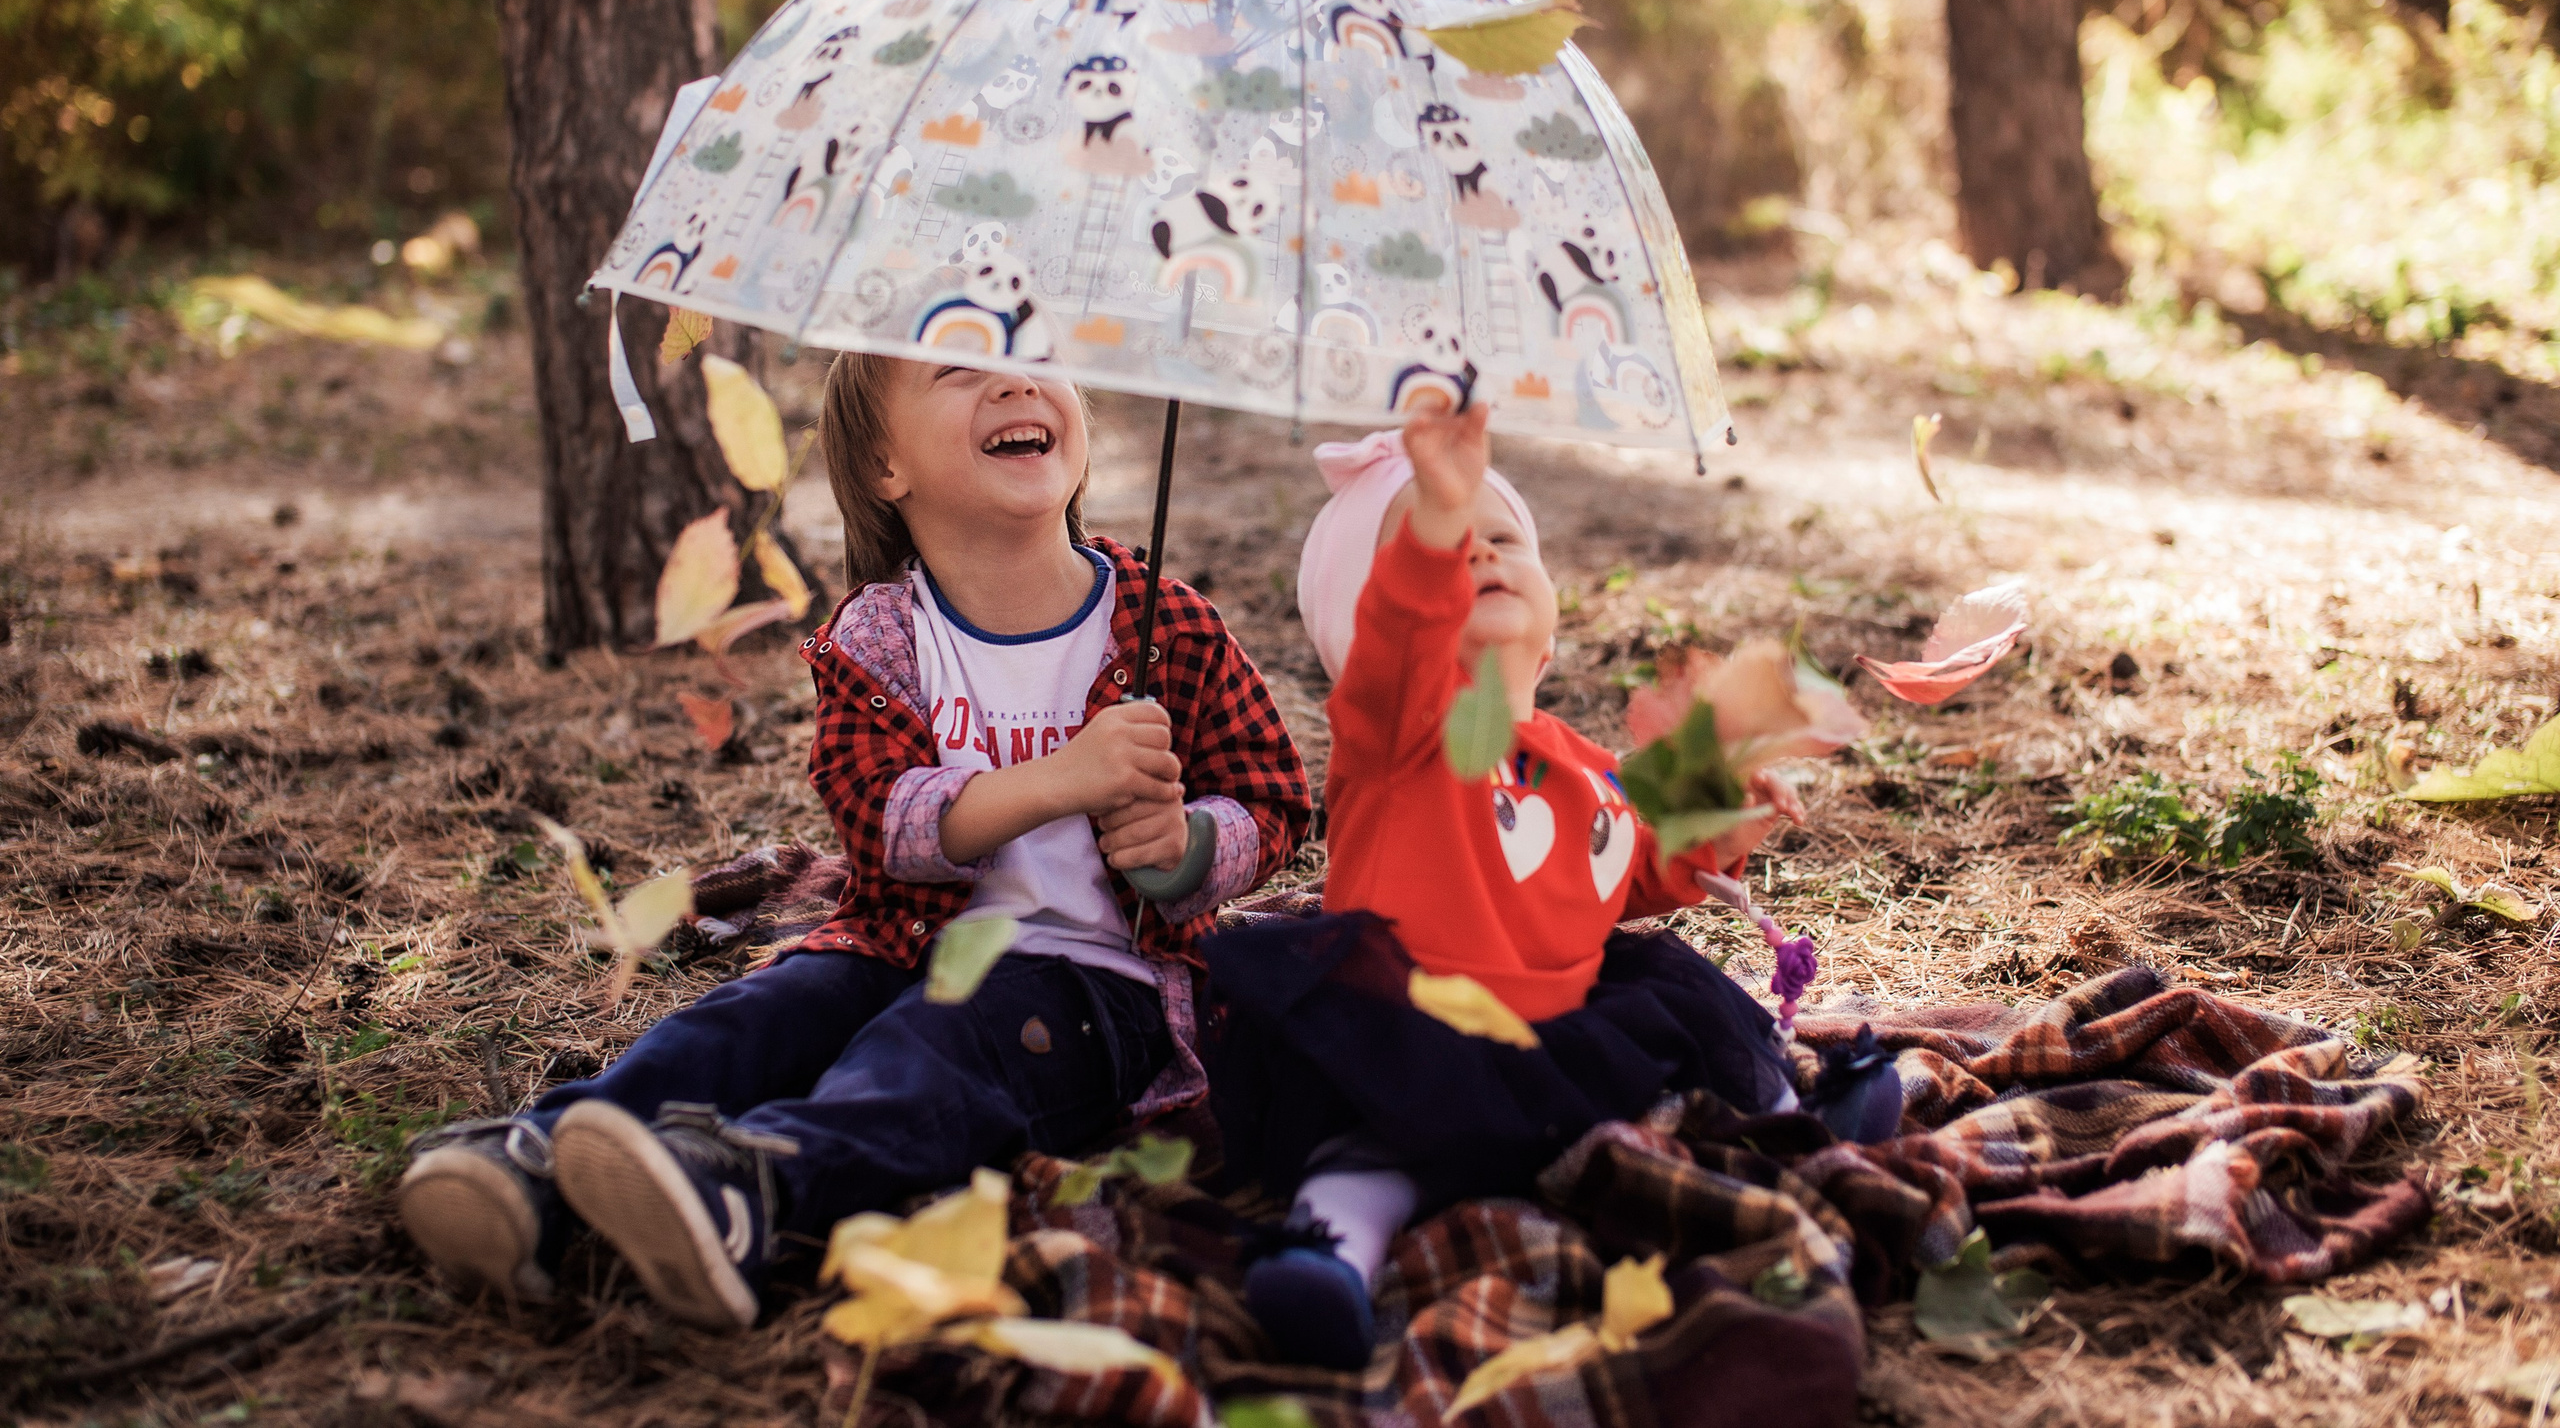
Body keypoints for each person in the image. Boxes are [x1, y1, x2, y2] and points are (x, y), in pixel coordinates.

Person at [398, 357, 1310, 1328]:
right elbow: (881, 822)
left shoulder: (1166, 623)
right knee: (765, 1013)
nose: (1016, 383)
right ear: (884, 466)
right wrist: (1060, 779)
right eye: (961, 368)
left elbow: (1272, 798)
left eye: (1038, 357)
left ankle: (758, 1191)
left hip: (1092, 986)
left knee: (937, 1052)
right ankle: (544, 1161)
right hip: (897, 944)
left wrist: (1182, 850)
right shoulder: (881, 634)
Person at [1206, 401, 1866, 1371]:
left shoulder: (1583, 766)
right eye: (1441, 546)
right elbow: (1402, 633)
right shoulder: (1398, 733)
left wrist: (1723, 818)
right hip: (1412, 1028)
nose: (1476, 549)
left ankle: (1795, 1116)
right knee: (1372, 1151)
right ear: (1366, 640)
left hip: (1553, 1028)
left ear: (1550, 632)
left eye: (1503, 537)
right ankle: (1328, 1254)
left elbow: (1629, 870)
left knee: (1680, 995)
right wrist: (1437, 510)